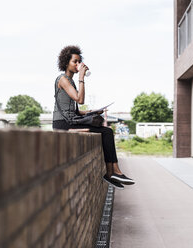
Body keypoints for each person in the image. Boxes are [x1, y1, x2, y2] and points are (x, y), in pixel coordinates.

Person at [52, 45, 135, 189]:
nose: (78, 65)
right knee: (107, 132)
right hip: (63, 124)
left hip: (70, 120)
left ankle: (112, 172)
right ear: (66, 63)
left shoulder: (70, 81)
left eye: (79, 62)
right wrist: (82, 77)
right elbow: (80, 99)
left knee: (106, 131)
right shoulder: (63, 79)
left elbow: (75, 110)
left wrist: (92, 111)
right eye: (75, 62)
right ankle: (113, 172)